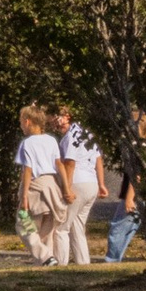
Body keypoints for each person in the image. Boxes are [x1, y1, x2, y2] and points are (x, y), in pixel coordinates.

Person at [16, 104, 66, 267]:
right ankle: (46, 263)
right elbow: (59, 164)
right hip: (52, 186)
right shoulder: (51, 140)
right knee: (46, 231)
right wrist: (66, 188)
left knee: (25, 225)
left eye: (21, 122)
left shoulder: (27, 143)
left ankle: (44, 256)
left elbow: (28, 169)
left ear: (28, 121)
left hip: (35, 187)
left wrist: (24, 195)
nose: (21, 126)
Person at [58, 111, 103, 270]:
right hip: (91, 183)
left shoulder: (71, 136)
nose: (57, 122)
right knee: (77, 225)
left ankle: (60, 265)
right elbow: (98, 159)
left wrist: (67, 188)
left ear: (68, 116)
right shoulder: (87, 134)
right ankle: (83, 264)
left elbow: (70, 163)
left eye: (59, 118)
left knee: (61, 226)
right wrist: (101, 183)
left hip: (77, 182)